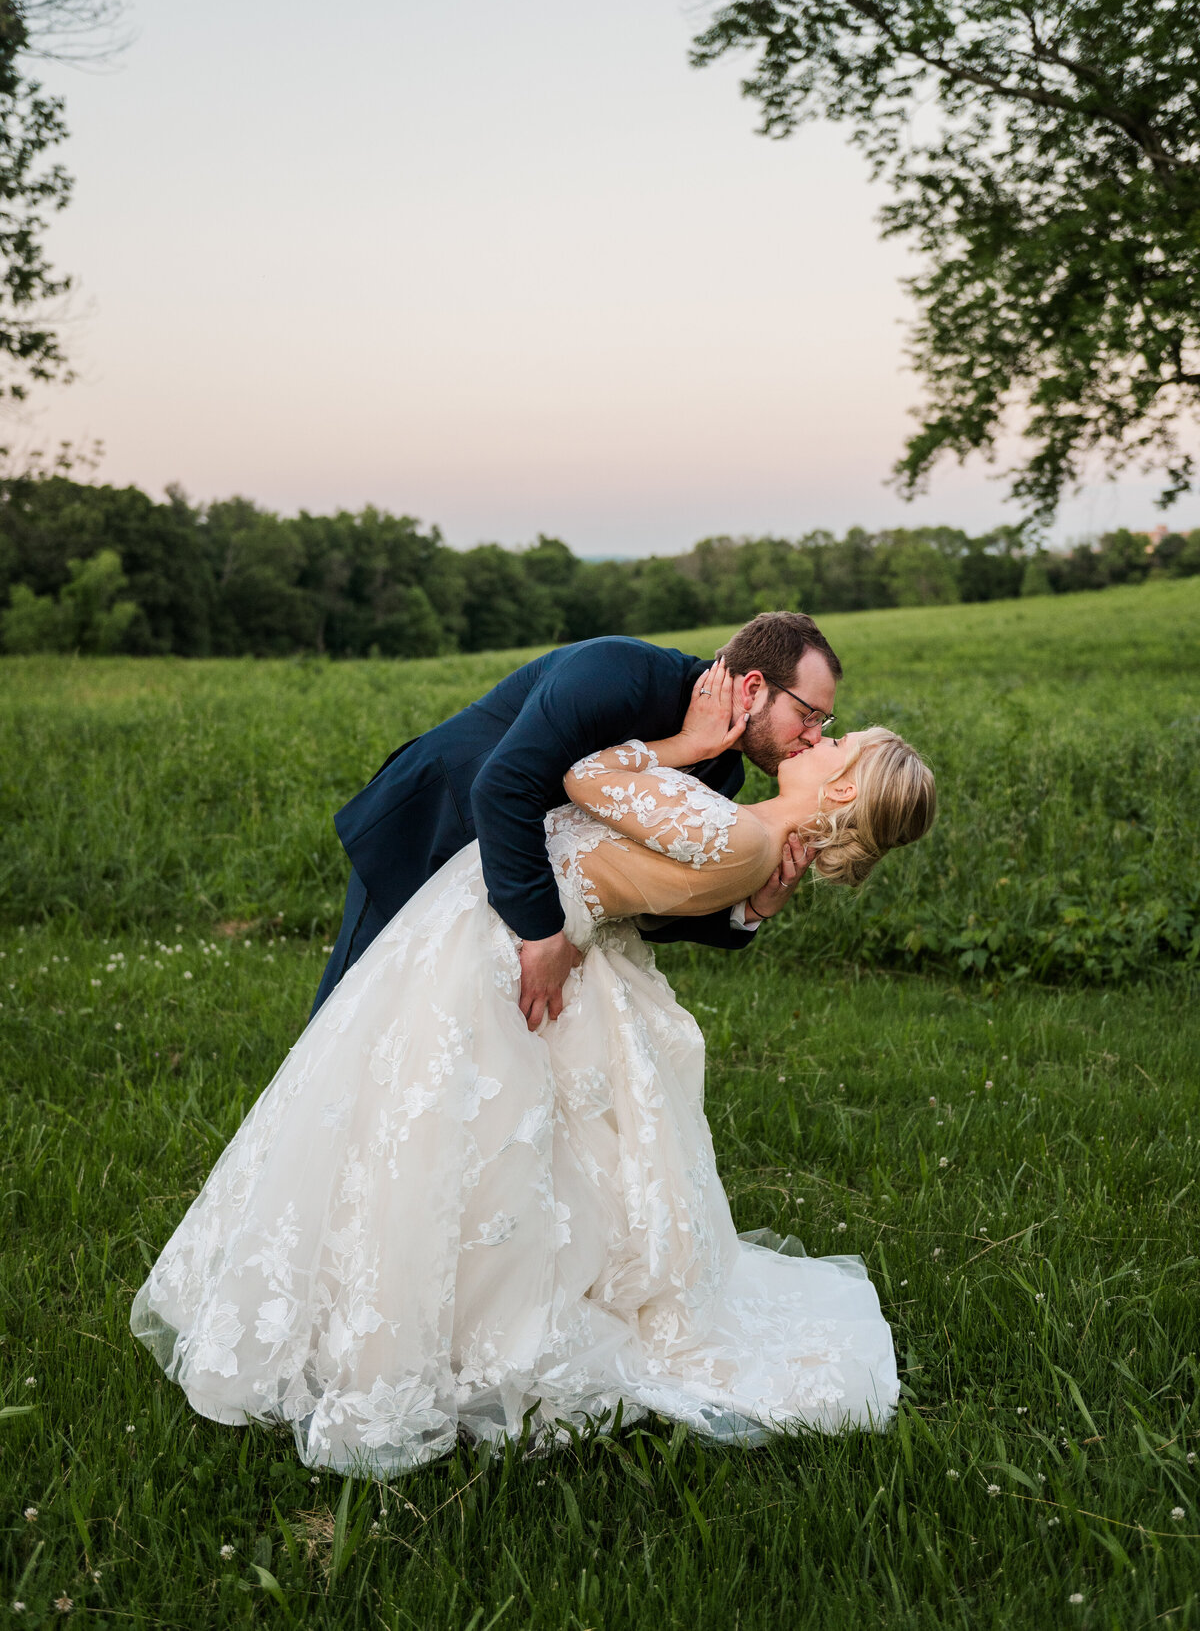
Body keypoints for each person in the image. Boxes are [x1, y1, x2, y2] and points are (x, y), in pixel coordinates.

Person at [131, 664, 936, 1475]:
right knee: (454, 1134)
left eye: (841, 743)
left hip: (504, 938)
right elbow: (642, 872)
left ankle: (424, 1331)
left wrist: (687, 743)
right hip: (508, 919)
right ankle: (413, 1318)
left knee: (443, 1134)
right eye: (825, 721)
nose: (822, 736)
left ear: (840, 796)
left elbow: (587, 777)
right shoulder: (746, 834)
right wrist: (751, 901)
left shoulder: (745, 839)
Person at [311, 612, 844, 1031]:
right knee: (354, 1012)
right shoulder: (618, 672)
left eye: (824, 723)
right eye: (809, 715)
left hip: (507, 892)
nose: (814, 736)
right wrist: (543, 934)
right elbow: (502, 788)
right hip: (432, 830)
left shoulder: (723, 774)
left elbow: (642, 893)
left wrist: (750, 909)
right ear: (753, 689)